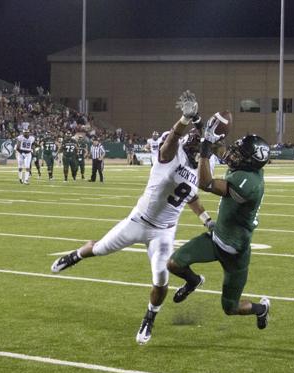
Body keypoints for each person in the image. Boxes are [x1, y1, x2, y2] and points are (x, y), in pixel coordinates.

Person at [51, 90, 215, 345]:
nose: (194, 149)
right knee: (101, 249)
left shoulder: (204, 165)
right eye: (191, 145)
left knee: (161, 279)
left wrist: (206, 219)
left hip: (164, 231)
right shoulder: (172, 154)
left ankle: (149, 317)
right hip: (137, 221)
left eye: (198, 146)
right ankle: (75, 255)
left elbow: (190, 196)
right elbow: (173, 138)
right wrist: (185, 120)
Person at [167, 127, 272, 330]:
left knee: (230, 308)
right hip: (216, 239)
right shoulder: (248, 167)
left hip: (236, 252)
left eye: (241, 153)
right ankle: (193, 281)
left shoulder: (249, 183)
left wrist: (205, 149)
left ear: (250, 161)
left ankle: (261, 309)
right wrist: (206, 130)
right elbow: (221, 149)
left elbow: (206, 183)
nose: (234, 154)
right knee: (173, 264)